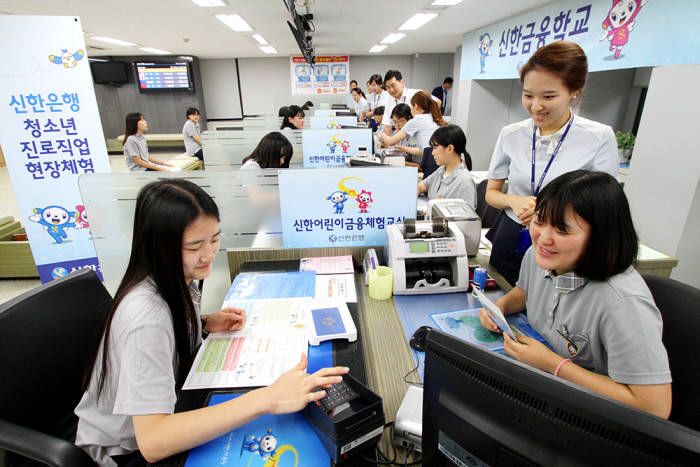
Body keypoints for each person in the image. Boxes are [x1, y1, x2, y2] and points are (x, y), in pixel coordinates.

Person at [75, 179, 348, 465]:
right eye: (194, 246)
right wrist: (268, 398)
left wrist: (203, 323)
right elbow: (153, 442)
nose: (209, 254)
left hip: (172, 405)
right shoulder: (146, 318)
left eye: (215, 239)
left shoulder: (174, 279)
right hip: (125, 451)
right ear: (158, 246)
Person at [478, 170, 672, 419]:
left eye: (562, 231)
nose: (543, 238)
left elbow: (654, 408)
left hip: (590, 414)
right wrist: (500, 307)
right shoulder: (539, 257)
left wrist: (553, 364)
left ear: (600, 236)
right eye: (539, 221)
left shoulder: (624, 304)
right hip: (541, 387)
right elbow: (524, 293)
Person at [485, 40, 619, 286]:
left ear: (574, 90)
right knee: (500, 300)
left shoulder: (598, 137)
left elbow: (605, 208)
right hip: (512, 234)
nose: (536, 106)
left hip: (560, 245)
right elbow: (491, 193)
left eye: (549, 96)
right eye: (528, 95)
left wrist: (552, 214)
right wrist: (513, 200)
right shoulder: (511, 134)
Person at [418, 125, 476, 210]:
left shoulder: (464, 182)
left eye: (435, 148)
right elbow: (420, 187)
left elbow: (466, 220)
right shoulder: (441, 170)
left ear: (450, 149)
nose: (432, 153)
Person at [378, 91, 446, 163]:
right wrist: (404, 148)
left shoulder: (417, 120)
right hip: (440, 159)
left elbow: (390, 142)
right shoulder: (433, 118)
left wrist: (382, 135)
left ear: (416, 106)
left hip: (431, 161)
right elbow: (424, 150)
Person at [381, 70, 420, 137]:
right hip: (400, 139)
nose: (391, 90)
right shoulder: (389, 102)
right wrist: (387, 144)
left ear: (402, 82)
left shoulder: (415, 94)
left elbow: (437, 102)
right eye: (388, 87)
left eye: (393, 86)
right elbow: (387, 126)